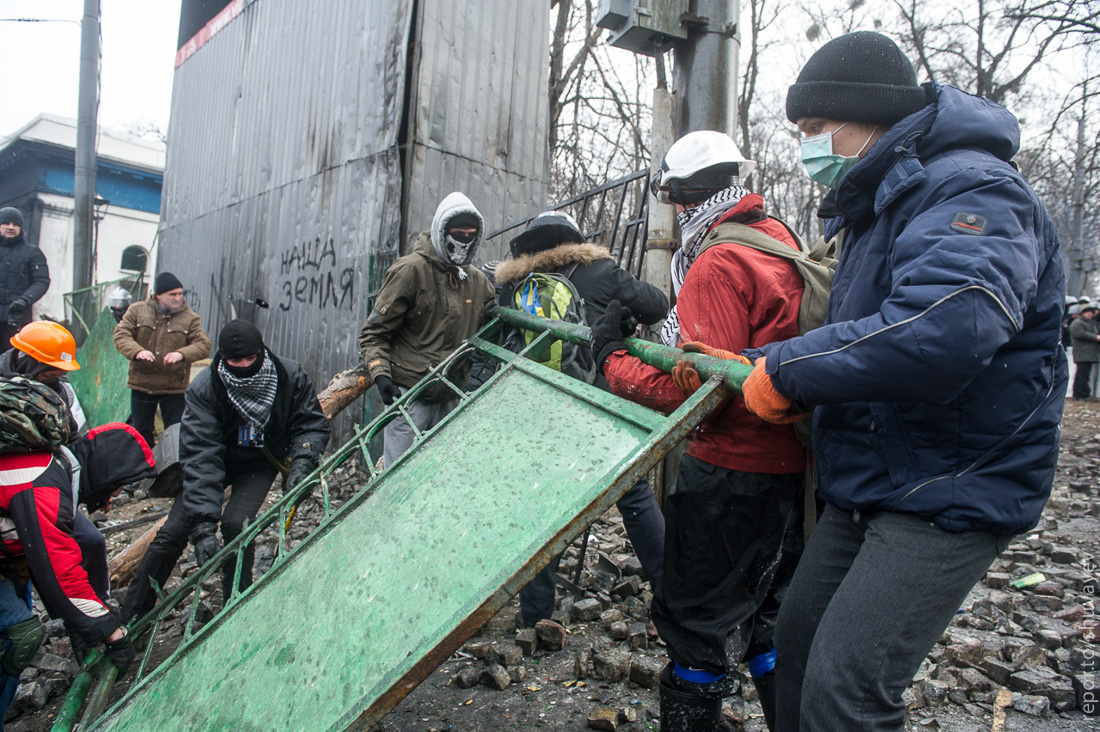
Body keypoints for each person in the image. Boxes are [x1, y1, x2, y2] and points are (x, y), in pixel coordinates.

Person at [736, 31, 1065, 732]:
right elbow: (873, 332)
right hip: (876, 477)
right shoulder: (879, 203)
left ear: (871, 116)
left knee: (846, 690)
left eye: (817, 130)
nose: (808, 147)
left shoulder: (972, 187)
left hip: (953, 478)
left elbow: (946, 327)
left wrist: (793, 370)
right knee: (796, 647)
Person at [589, 131, 807, 731]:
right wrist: (659, 335)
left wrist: (612, 357)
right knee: (766, 617)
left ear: (680, 195)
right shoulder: (777, 238)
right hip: (792, 470)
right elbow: (729, 350)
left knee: (693, 622)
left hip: (731, 472)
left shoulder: (715, 259)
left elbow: (699, 394)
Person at [495, 211, 670, 629]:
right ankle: (670, 592)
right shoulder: (601, 270)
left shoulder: (511, 285)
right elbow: (658, 304)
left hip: (540, 405)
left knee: (544, 505)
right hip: (598, 399)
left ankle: (536, 614)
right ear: (574, 239)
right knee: (633, 493)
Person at [120, 320, 330, 623]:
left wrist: (303, 461)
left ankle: (235, 606)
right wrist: (204, 523)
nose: (244, 366)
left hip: (259, 462)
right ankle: (132, 617)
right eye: (235, 361)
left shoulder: (289, 374)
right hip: (218, 458)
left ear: (262, 351)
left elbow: (310, 423)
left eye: (250, 358)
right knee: (173, 532)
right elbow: (201, 454)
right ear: (223, 358)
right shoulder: (205, 388)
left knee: (237, 525)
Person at [0, 421, 156, 718]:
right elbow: (58, 570)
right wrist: (111, 631)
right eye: (112, 488)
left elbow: (42, 556)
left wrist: (81, 622)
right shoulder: (41, 483)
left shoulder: (49, 462)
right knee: (19, 634)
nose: (108, 500)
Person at [358, 192, 495, 467]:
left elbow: (493, 327)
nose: (464, 240)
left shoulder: (477, 282)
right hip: (409, 397)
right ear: (441, 230)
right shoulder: (411, 272)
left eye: (471, 234)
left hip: (450, 398)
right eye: (458, 233)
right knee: (399, 477)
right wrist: (381, 376)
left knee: (440, 477)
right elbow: (374, 332)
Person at [0, 322, 110, 598]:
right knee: (19, 556)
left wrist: (95, 488)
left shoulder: (61, 390)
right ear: (28, 360)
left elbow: (73, 440)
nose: (57, 376)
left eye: (61, 372)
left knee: (91, 542)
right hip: (8, 489)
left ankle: (96, 615)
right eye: (51, 370)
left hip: (47, 484)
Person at [113, 272, 211, 447]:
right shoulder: (137, 311)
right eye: (172, 294)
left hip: (174, 387)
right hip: (142, 384)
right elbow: (121, 335)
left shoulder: (190, 318)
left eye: (180, 294)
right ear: (158, 295)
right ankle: (145, 468)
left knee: (175, 432)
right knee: (141, 431)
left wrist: (182, 354)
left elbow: (203, 345)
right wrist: (137, 351)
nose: (178, 298)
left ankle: (172, 470)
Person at [0, 207, 50, 355]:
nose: (11, 227)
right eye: (6, 223)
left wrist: (24, 301)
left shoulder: (32, 253)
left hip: (16, 318)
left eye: (15, 224)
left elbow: (41, 281)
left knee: (8, 360)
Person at [1070, 304, 1100, 401]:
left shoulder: (1091, 323)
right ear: (1082, 313)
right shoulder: (1077, 323)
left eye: (1091, 312)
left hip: (1088, 353)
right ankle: (1083, 394)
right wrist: (1096, 337)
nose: (1089, 314)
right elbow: (1079, 334)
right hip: (1083, 353)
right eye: (1087, 312)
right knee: (1083, 375)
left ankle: (1078, 394)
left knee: (1082, 374)